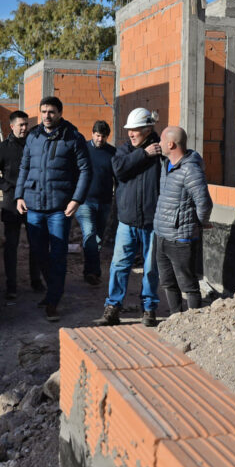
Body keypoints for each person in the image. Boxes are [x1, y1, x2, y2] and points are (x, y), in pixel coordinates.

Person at [15, 96, 91, 322]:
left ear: (60, 113)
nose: (47, 116)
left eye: (51, 112)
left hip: (60, 208)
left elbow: (86, 171)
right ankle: (52, 291)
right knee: (38, 253)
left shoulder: (73, 137)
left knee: (58, 254)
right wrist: (19, 195)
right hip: (34, 205)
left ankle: (53, 301)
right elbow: (24, 167)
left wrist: (76, 200)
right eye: (43, 111)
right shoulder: (33, 136)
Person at [102, 108, 162, 327]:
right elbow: (118, 169)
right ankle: (113, 307)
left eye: (135, 130)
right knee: (119, 265)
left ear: (148, 129)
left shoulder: (161, 151)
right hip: (127, 221)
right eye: (129, 130)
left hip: (151, 221)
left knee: (150, 268)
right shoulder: (124, 151)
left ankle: (149, 309)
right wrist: (144, 154)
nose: (131, 134)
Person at [154, 126, 213, 314]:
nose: (159, 144)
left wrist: (201, 222)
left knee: (188, 284)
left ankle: (193, 323)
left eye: (162, 140)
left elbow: (204, 202)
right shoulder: (166, 165)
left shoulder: (191, 170)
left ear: (170, 144)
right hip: (162, 235)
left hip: (181, 238)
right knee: (168, 283)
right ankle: (176, 320)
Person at [0, 110, 42, 300]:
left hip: (33, 202)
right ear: (11, 126)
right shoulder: (3, 148)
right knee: (11, 246)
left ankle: (36, 281)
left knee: (36, 244)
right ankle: (11, 286)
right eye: (21, 125)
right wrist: (8, 188)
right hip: (11, 205)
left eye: (26, 124)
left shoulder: (33, 145)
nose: (25, 128)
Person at [75, 120, 116, 287]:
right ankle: (93, 272)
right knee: (90, 233)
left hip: (105, 202)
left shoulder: (112, 153)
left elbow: (117, 177)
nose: (100, 139)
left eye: (103, 136)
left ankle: (89, 269)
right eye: (97, 135)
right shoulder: (82, 149)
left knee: (97, 239)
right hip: (84, 201)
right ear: (92, 134)